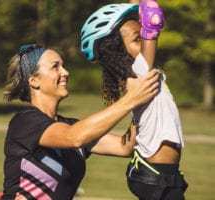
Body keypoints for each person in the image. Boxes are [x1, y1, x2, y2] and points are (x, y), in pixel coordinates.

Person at [1, 43, 160, 200]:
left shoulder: (72, 126)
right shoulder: (25, 122)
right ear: (34, 81)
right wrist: (131, 99)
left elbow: (124, 147)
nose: (66, 72)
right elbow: (74, 138)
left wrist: (139, 105)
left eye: (63, 66)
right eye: (55, 67)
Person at [80, 1, 188, 199]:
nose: (144, 42)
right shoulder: (139, 73)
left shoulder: (141, 73)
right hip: (155, 176)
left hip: (162, 175)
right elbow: (152, 19)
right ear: (118, 51)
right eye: (137, 39)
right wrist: (144, 7)